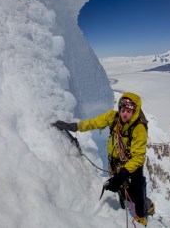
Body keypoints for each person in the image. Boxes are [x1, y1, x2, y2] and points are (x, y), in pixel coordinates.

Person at [53, 92, 154, 226]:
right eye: (123, 110)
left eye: (129, 111)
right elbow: (94, 123)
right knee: (121, 189)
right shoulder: (113, 118)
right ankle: (124, 209)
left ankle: (142, 215)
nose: (124, 114)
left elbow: (138, 158)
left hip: (132, 164)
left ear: (135, 112)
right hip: (116, 162)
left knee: (137, 187)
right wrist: (74, 126)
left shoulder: (139, 129)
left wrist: (122, 174)